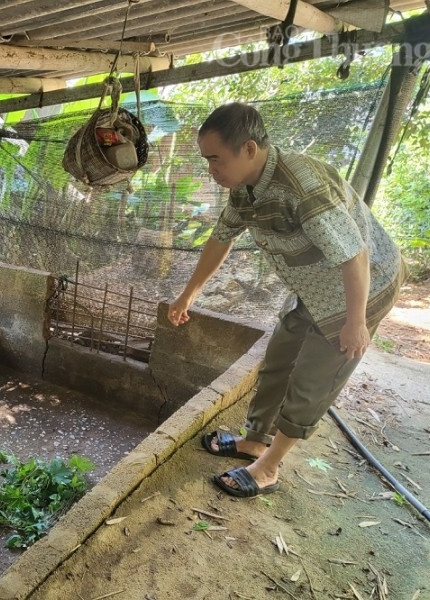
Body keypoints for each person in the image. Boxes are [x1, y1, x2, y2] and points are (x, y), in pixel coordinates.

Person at [168, 102, 407, 498]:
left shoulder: (300, 187)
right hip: (313, 287)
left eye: (215, 159)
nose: (211, 170)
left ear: (248, 149)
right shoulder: (245, 188)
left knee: (313, 379)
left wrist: (355, 322)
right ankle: (253, 441)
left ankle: (268, 467)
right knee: (279, 358)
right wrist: (187, 294)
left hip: (361, 288)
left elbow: (354, 255)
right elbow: (221, 238)